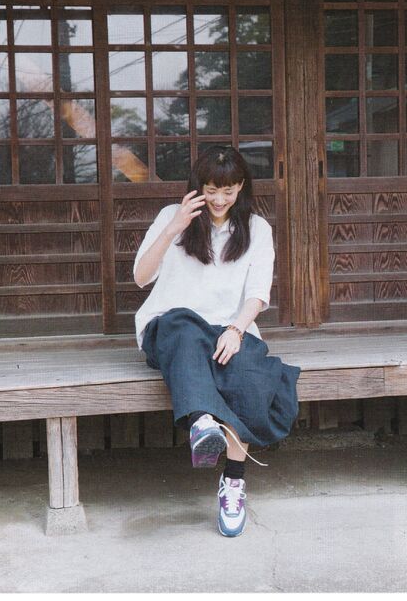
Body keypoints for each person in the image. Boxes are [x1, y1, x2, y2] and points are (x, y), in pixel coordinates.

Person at [133, 146, 301, 538]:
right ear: (198, 187)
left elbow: (257, 294)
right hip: (173, 331)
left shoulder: (257, 229)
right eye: (211, 190)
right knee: (182, 325)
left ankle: (233, 481)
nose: (220, 200)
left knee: (247, 377)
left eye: (228, 191)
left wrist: (237, 329)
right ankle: (202, 422)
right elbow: (141, 277)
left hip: (229, 329)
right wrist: (174, 228)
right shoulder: (170, 218)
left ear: (241, 187)